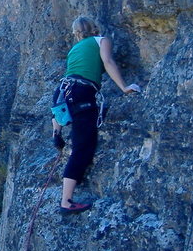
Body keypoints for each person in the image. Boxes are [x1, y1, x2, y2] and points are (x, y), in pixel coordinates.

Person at [52, 16, 141, 214]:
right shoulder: (101, 40)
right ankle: (66, 202)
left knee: (77, 142)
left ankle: (56, 133)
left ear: (76, 33)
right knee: (82, 148)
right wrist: (124, 87)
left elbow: (58, 100)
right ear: (93, 28)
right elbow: (107, 61)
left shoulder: (74, 50)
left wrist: (57, 130)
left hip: (64, 91)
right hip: (82, 93)